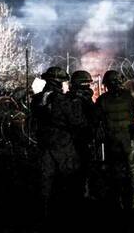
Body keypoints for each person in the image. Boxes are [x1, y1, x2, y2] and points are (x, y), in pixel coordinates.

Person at [31, 66, 87, 218]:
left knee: (45, 180)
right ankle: (65, 213)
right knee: (67, 180)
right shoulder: (62, 100)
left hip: (43, 143)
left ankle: (43, 213)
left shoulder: (37, 98)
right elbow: (77, 122)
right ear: (59, 82)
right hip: (62, 145)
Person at [95, 70, 134, 210]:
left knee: (114, 171)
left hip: (112, 140)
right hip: (128, 139)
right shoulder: (130, 96)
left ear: (106, 84)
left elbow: (96, 117)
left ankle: (117, 201)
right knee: (132, 170)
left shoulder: (102, 99)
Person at [66, 70, 98, 198]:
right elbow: (94, 117)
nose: (89, 87)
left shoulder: (67, 98)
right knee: (83, 168)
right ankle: (82, 193)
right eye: (87, 84)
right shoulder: (83, 99)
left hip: (70, 140)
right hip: (80, 139)